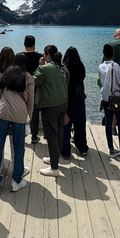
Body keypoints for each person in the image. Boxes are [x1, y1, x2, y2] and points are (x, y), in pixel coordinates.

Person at [0, 54, 35, 193]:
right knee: (19, 147)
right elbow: (31, 101)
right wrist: (29, 118)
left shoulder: (6, 74)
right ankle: (16, 180)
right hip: (19, 115)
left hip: (3, 113)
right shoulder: (28, 77)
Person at [33, 45, 70, 177]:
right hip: (63, 103)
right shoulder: (63, 68)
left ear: (48, 55)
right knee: (59, 131)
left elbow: (34, 81)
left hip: (50, 104)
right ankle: (55, 158)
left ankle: (54, 168)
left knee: (51, 134)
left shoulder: (46, 68)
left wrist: (39, 66)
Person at [98, 44, 120, 162]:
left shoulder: (101, 66)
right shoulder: (115, 66)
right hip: (116, 98)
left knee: (108, 123)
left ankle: (111, 149)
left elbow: (101, 82)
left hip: (105, 98)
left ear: (104, 54)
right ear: (113, 54)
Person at [62, 46, 89, 159]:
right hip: (79, 98)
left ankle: (65, 150)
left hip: (67, 99)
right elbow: (82, 81)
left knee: (65, 126)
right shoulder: (81, 66)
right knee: (80, 125)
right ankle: (82, 147)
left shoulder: (64, 68)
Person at [18, 35, 43, 143]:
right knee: (35, 111)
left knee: (20, 110)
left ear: (24, 44)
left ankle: (20, 134)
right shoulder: (39, 56)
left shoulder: (18, 56)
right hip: (35, 86)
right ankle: (34, 135)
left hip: (21, 86)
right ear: (34, 44)